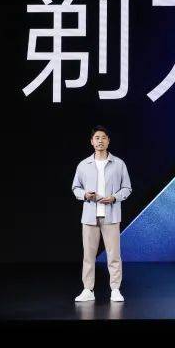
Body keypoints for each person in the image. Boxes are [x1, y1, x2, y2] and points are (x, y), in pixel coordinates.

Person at [71, 125, 132, 302]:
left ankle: (115, 289)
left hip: (111, 215)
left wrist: (114, 197)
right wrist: (85, 195)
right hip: (89, 216)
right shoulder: (84, 165)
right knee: (88, 256)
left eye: (103, 137)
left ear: (108, 141)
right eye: (97, 138)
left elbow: (127, 188)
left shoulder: (119, 164)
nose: (100, 141)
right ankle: (88, 289)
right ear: (92, 141)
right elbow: (75, 187)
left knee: (114, 255)